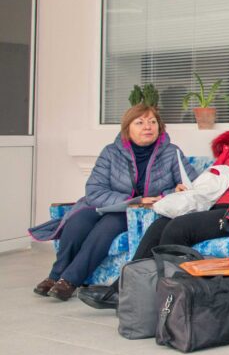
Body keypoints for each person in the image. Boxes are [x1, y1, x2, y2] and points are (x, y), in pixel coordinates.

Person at [78, 94, 229, 309]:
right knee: (160, 224)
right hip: (214, 206)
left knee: (179, 227)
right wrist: (191, 190)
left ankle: (165, 297)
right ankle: (122, 290)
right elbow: (213, 179)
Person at [29, 104, 196, 301]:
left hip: (137, 212)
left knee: (106, 228)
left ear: (160, 127)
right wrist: (132, 199)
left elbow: (192, 184)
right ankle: (54, 276)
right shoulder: (111, 152)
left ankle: (70, 281)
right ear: (127, 128)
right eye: (140, 122)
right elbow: (94, 190)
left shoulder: (171, 152)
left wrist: (171, 192)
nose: (148, 127)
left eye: (153, 122)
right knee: (76, 223)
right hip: (105, 205)